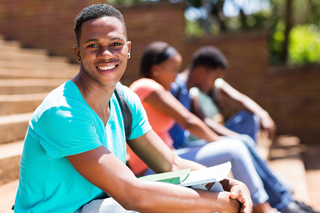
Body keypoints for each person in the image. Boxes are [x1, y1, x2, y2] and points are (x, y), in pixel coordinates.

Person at [13, 4, 253, 213]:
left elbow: (171, 164)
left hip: (98, 205)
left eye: (115, 44)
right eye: (93, 45)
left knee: (193, 195)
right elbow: (131, 195)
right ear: (78, 53)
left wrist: (227, 184)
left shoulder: (125, 100)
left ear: (128, 49)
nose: (106, 54)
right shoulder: (63, 112)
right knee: (174, 204)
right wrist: (219, 203)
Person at [127, 41, 284, 213]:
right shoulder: (147, 86)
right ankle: (264, 208)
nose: (176, 75)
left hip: (166, 160)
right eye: (173, 69)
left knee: (236, 148)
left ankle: (272, 199)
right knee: (235, 149)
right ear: (156, 69)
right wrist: (219, 143)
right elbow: (188, 120)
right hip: (153, 168)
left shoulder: (157, 89)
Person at [169, 45, 319, 213]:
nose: (214, 84)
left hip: (200, 142)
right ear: (201, 72)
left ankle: (280, 194)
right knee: (240, 144)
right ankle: (281, 201)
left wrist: (261, 114)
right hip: (181, 150)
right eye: (172, 69)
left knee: (247, 127)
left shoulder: (190, 90)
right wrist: (228, 140)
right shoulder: (176, 88)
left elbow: (236, 100)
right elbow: (195, 123)